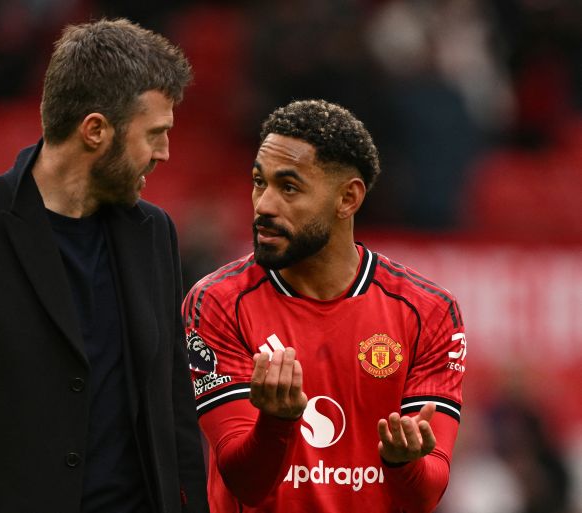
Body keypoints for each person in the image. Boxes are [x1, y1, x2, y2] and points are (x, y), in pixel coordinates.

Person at [0, 19, 208, 513]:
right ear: (95, 131)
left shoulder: (153, 233)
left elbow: (173, 409)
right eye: (154, 134)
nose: (164, 152)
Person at [182, 99, 466, 513]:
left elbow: (425, 493)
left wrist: (402, 462)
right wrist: (276, 423)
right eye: (260, 182)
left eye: (289, 187)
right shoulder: (217, 303)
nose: (264, 205)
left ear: (348, 199)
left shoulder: (429, 312)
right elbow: (244, 482)